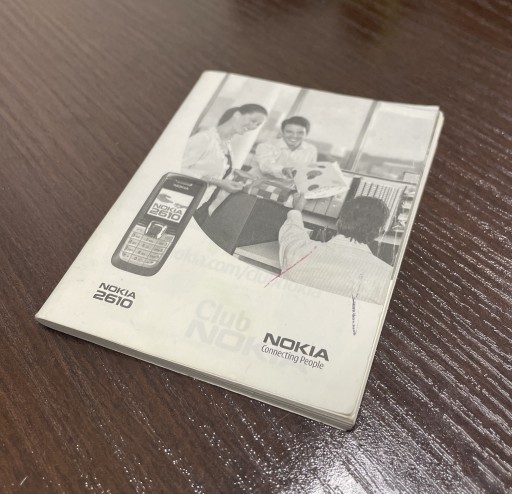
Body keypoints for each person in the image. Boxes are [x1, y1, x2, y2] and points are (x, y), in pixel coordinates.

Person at [278, 194, 393, 304]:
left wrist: (297, 209)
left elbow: (291, 234)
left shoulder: (298, 252)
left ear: (339, 222)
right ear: (379, 232)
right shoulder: (387, 277)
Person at [181, 103, 268, 223]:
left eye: (258, 124)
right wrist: (219, 182)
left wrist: (235, 178)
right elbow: (178, 168)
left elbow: (214, 171)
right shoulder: (204, 138)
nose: (253, 126)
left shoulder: (226, 145)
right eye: (253, 120)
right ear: (237, 115)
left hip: (200, 204)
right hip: (183, 201)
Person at [254, 116, 317, 180]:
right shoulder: (266, 146)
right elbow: (266, 165)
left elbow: (308, 171)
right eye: (289, 132)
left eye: (300, 133)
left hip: (289, 185)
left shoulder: (311, 149)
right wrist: (283, 170)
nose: (294, 136)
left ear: (306, 134)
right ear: (282, 132)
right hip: (258, 182)